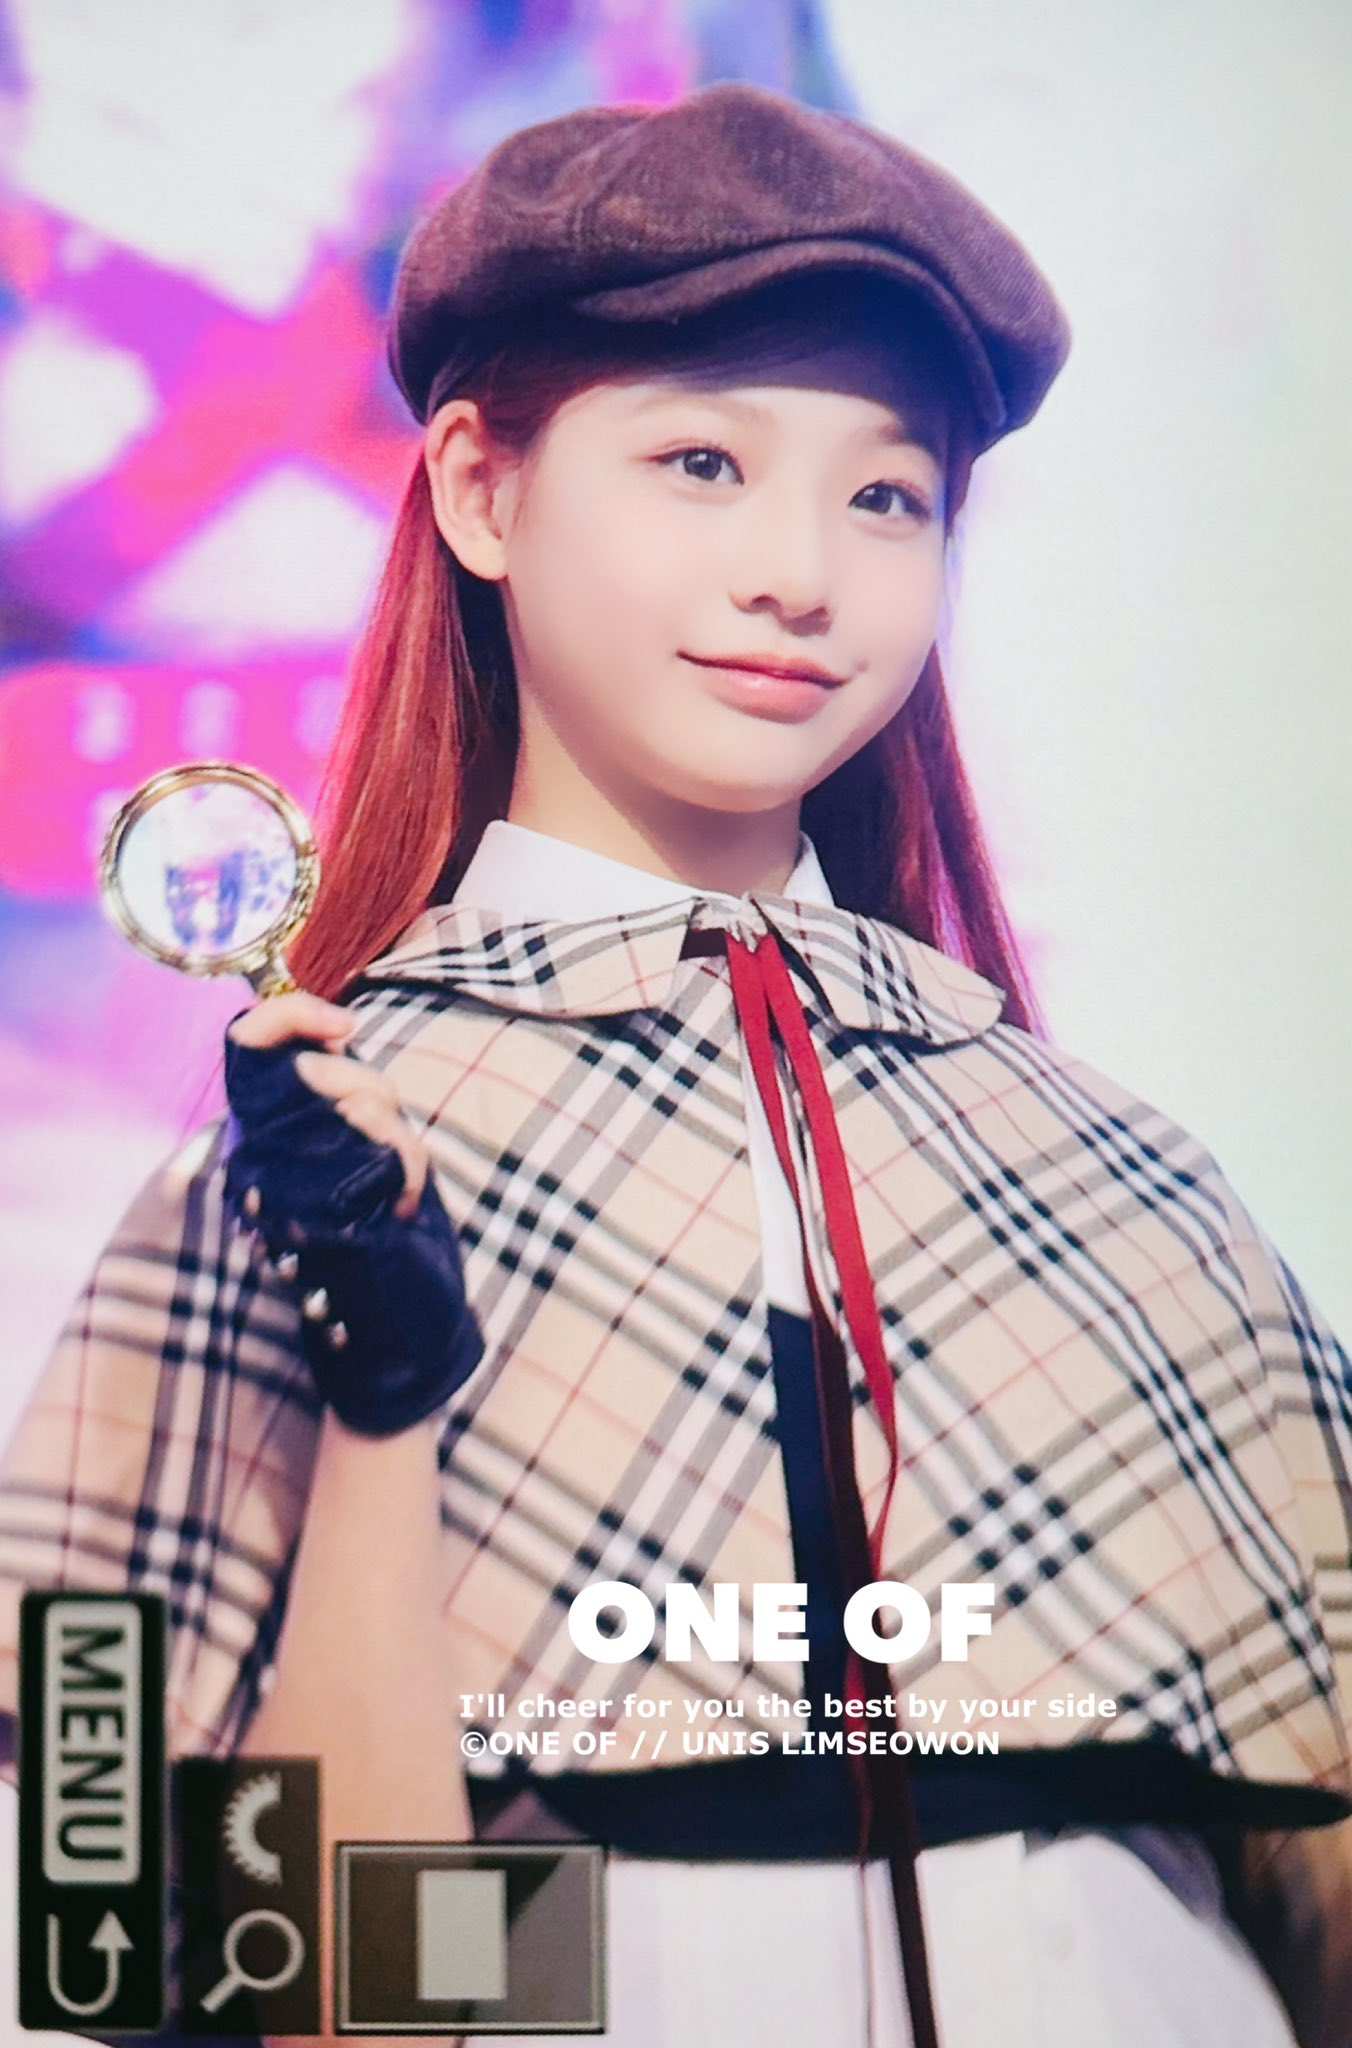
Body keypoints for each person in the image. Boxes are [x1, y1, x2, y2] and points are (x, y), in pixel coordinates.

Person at [0, 80, 1350, 2048]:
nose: (803, 571)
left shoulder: (1124, 1179)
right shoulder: (314, 1160)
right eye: (702, 462)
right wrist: (384, 1417)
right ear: (480, 491)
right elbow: (143, 1949)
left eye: (887, 496)